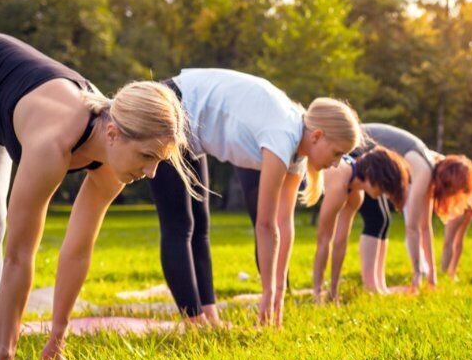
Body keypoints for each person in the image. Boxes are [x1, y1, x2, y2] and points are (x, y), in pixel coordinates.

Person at [0, 25, 195, 360]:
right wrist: (8, 356)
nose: (152, 172)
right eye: (147, 156)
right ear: (113, 134)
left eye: (158, 160)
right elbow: (19, 256)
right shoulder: (52, 143)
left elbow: (77, 250)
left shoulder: (113, 158)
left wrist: (57, 338)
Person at [138, 69, 360, 328]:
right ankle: (196, 324)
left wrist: (277, 289)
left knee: (201, 226)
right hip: (168, 107)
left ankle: (210, 317)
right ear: (318, 136)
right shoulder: (283, 136)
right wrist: (267, 291)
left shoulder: (297, 148)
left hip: (191, 128)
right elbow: (265, 225)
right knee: (181, 225)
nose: (336, 164)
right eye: (337, 153)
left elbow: (283, 224)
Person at [355, 124, 472, 292]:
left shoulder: (429, 170)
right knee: (376, 219)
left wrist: (432, 274)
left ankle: (379, 287)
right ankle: (371, 287)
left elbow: (425, 227)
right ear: (448, 182)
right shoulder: (424, 170)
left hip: (367, 153)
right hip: (358, 148)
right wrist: (417, 273)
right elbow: (412, 227)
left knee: (382, 220)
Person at [311, 147, 411, 302]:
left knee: (340, 241)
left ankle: (331, 293)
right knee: (324, 239)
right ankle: (316, 293)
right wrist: (318, 294)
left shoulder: (357, 195)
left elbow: (340, 242)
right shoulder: (340, 184)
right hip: (294, 174)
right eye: (384, 186)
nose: (384, 193)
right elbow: (323, 239)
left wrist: (333, 292)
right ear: (372, 175)